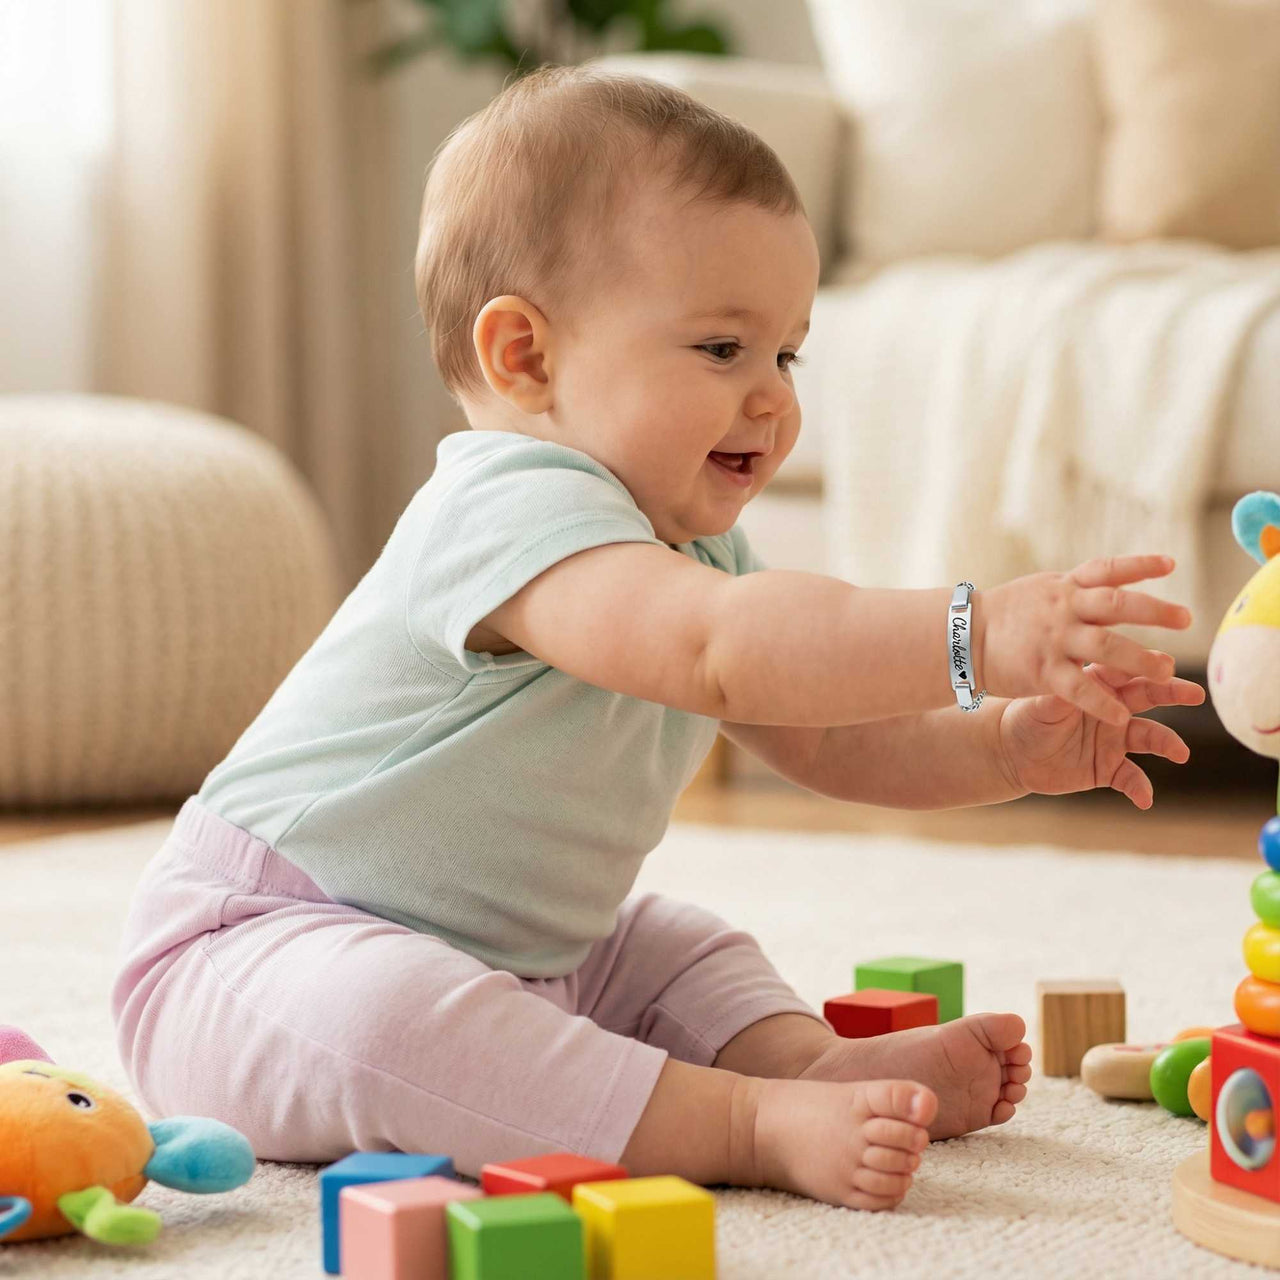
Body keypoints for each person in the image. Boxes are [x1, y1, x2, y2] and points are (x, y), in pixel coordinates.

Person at [111, 64, 1204, 1212]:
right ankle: (738, 1119)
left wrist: (998, 750)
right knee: (393, 1010)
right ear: (524, 357)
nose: (773, 397)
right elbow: (719, 651)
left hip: (518, 953)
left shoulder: (697, 554)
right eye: (721, 350)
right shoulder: (505, 507)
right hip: (252, 952)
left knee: (667, 943)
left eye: (787, 353)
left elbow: (831, 740)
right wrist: (973, 629)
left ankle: (806, 1064)